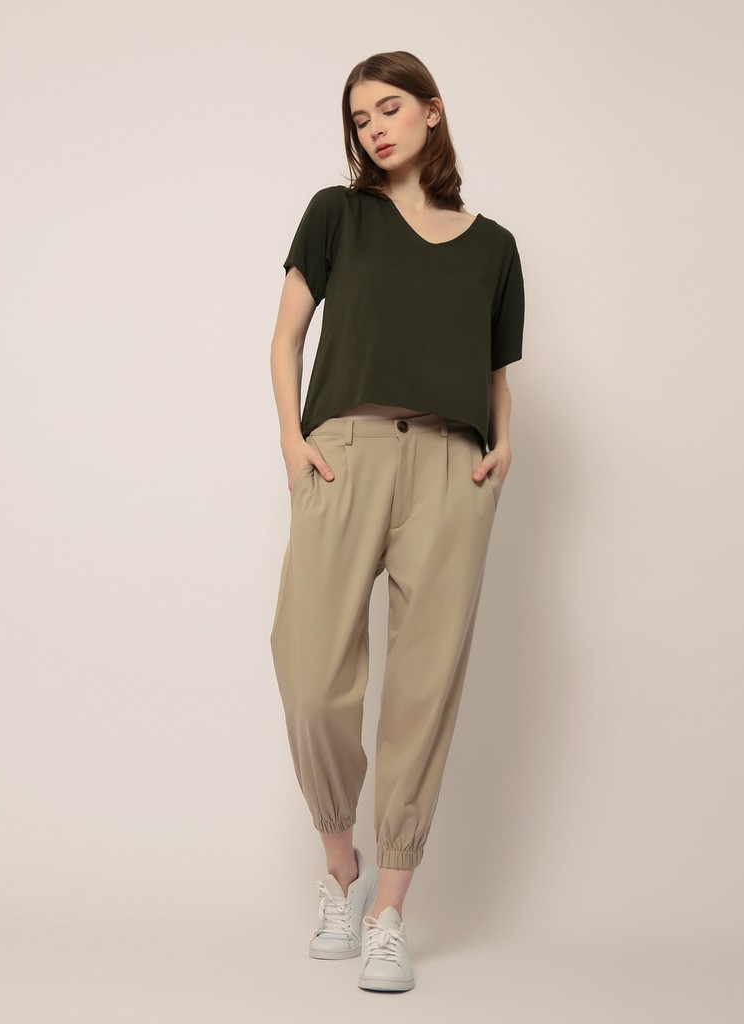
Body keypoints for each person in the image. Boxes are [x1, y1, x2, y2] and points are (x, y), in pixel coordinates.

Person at [268, 50, 525, 993]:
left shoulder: (494, 247)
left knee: (426, 685)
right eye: (359, 118)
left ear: (432, 111)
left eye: (388, 108)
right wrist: (293, 442)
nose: (373, 128)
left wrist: (503, 446)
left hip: (453, 465)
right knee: (310, 671)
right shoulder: (337, 216)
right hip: (346, 451)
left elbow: (495, 370)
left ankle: (388, 912)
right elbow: (286, 336)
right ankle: (342, 867)